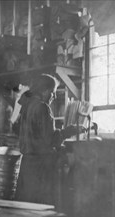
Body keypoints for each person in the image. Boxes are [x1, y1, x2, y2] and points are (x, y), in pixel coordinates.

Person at [15, 74, 79, 206]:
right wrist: (69, 131)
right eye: (52, 93)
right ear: (44, 91)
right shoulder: (42, 107)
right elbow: (51, 140)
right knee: (42, 208)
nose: (54, 97)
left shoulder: (27, 106)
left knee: (26, 208)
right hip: (41, 167)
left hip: (27, 165)